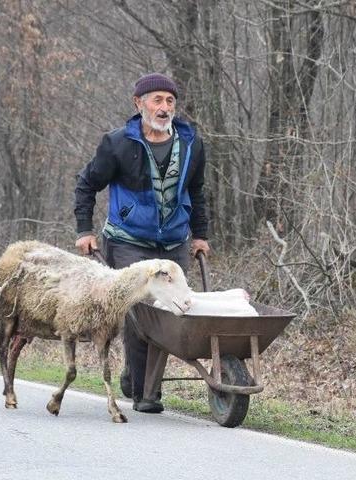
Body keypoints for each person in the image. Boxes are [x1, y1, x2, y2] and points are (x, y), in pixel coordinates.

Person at [74, 73, 210, 413]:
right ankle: (143, 392)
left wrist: (200, 235)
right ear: (139, 104)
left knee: (167, 311)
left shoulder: (190, 144)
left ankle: (142, 381)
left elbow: (197, 192)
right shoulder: (118, 143)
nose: (164, 108)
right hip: (128, 239)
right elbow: (87, 184)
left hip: (174, 240)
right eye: (157, 100)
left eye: (169, 101)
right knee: (139, 313)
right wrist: (84, 230)